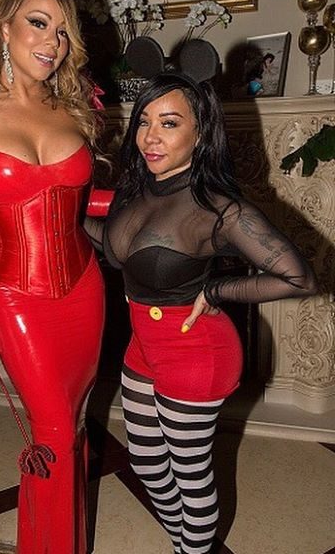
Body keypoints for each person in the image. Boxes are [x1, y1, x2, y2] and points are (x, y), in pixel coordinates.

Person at [84, 73, 317, 553]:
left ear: (201, 132)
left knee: (190, 474)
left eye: (169, 123)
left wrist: (218, 288)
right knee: (148, 465)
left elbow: (297, 277)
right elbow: (115, 246)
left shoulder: (218, 208)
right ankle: (184, 545)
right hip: (142, 347)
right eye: (144, 121)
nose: (150, 137)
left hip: (197, 351)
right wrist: (57, 216)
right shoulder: (134, 188)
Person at [0, 0, 109, 554]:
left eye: (62, 31)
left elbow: (84, 202)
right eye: (39, 23)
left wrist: (170, 198)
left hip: (85, 289)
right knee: (53, 428)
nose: (52, 42)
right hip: (13, 296)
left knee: (73, 421)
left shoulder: (72, 107)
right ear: (4, 27)